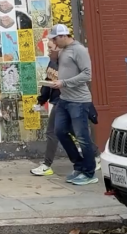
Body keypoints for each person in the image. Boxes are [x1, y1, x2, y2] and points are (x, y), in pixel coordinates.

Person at [45, 24, 98, 186]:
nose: (54, 42)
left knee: (82, 137)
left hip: (79, 101)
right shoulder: (62, 51)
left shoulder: (79, 50)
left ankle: (89, 172)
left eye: (55, 39)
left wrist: (64, 83)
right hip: (65, 99)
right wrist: (53, 56)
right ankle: (79, 166)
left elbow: (87, 74)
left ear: (63, 36)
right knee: (60, 131)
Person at [30, 39, 61, 176]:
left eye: (50, 47)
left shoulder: (68, 63)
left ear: (58, 47)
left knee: (52, 132)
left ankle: (47, 165)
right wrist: (41, 101)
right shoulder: (52, 62)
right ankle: (93, 156)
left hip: (66, 101)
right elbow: (47, 84)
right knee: (72, 131)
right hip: (60, 102)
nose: (48, 50)